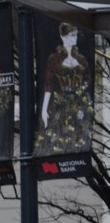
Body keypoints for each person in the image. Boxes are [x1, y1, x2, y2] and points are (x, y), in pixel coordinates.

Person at [35, 22, 93, 156]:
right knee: (60, 136)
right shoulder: (54, 59)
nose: (75, 38)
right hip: (61, 105)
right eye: (72, 35)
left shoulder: (81, 59)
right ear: (63, 37)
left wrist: (83, 96)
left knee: (80, 137)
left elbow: (88, 81)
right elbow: (48, 84)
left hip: (79, 106)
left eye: (76, 35)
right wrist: (44, 110)